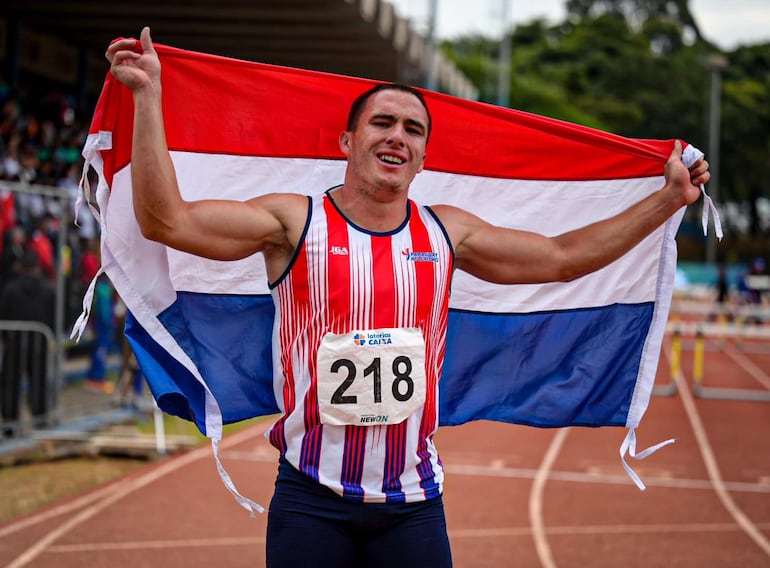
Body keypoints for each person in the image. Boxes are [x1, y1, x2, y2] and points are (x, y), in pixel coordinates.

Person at [106, 27, 710, 568]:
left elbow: (561, 257)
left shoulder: (447, 231)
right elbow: (169, 222)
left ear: (424, 156)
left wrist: (667, 201)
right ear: (346, 141)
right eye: (383, 123)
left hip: (414, 504)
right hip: (310, 497)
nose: (398, 136)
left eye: (413, 129)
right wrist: (149, 97)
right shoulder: (293, 222)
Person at [0, 249, 56, 436]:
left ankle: (10, 423)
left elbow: (3, 313)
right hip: (40, 342)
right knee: (39, 381)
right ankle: (39, 420)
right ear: (37, 267)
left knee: (11, 383)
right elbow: (56, 318)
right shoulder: (48, 289)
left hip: (15, 343)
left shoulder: (10, 289)